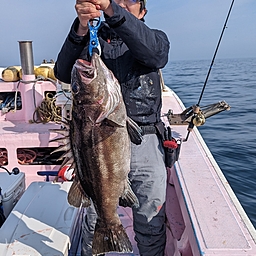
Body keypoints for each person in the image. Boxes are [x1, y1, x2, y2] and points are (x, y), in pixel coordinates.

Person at [54, 0, 170, 255]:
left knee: (151, 218)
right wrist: (82, 28)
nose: (121, 4)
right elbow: (63, 72)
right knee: (94, 218)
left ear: (143, 10)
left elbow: (154, 55)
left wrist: (111, 10)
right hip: (97, 146)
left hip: (145, 139)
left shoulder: (154, 39)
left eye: (130, 1)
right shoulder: (92, 42)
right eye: (117, 0)